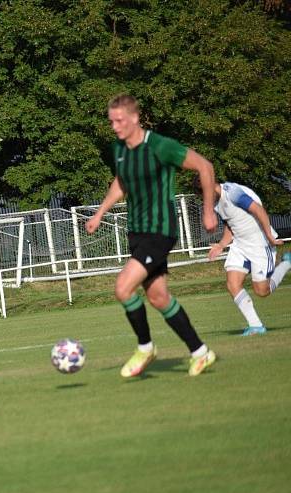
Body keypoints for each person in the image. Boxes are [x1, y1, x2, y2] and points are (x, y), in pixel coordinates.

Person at [85, 94, 219, 378]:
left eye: (119, 120)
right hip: (136, 231)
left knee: (123, 288)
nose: (115, 126)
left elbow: (205, 166)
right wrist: (100, 213)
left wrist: (208, 211)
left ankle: (145, 347)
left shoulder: (160, 146)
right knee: (158, 297)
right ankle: (200, 352)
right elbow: (122, 182)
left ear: (134, 118)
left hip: (160, 231)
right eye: (111, 121)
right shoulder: (119, 149)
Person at [196, 177, 291, 335]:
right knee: (232, 283)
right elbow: (230, 223)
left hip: (259, 242)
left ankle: (286, 264)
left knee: (262, 291)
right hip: (240, 244)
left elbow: (258, 210)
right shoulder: (215, 202)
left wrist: (269, 236)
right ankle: (256, 326)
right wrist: (221, 245)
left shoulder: (233, 193)